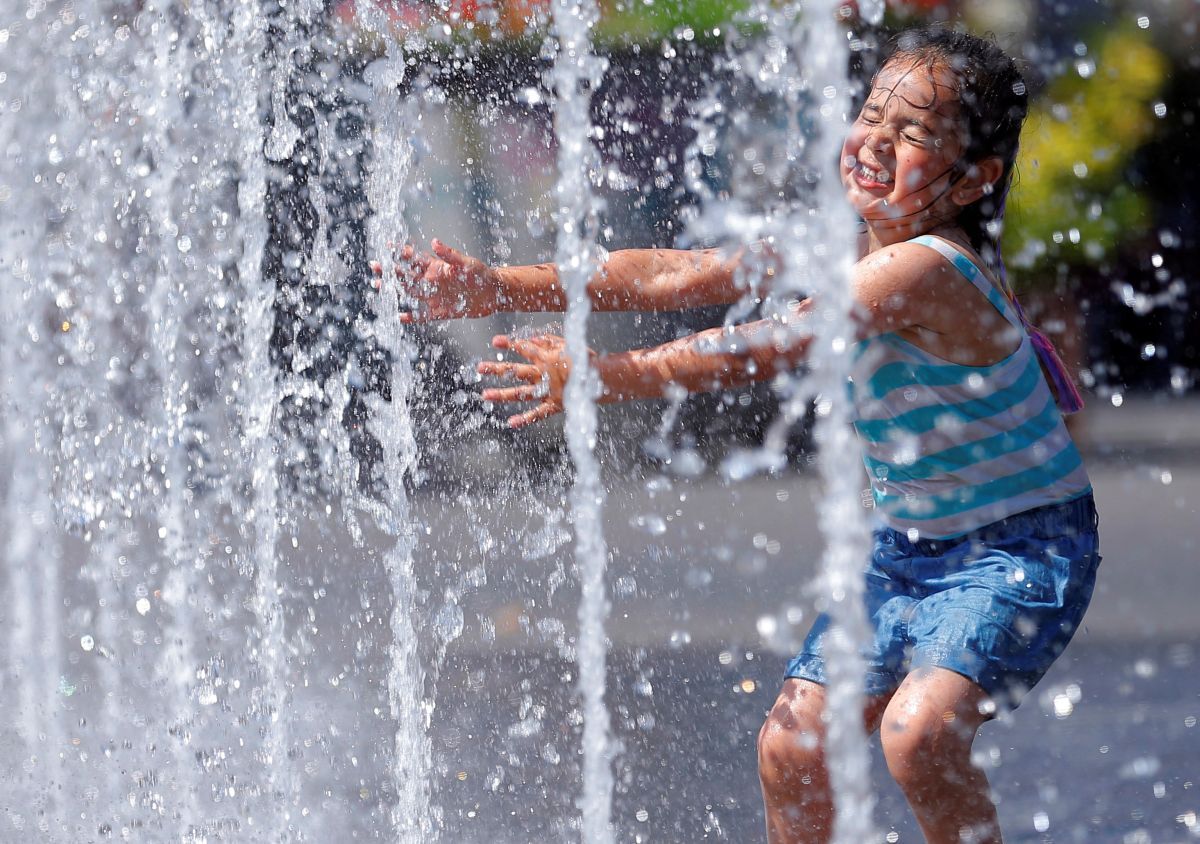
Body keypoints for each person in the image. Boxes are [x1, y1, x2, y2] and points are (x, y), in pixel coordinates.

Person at [384, 25, 1101, 844]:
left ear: (975, 178)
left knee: (919, 735)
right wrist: (499, 284)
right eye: (872, 115)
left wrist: (612, 376)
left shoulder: (931, 267)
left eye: (912, 136)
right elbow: (675, 272)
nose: (875, 141)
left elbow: (770, 345)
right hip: (911, 548)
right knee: (794, 746)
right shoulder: (847, 241)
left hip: (1021, 551)